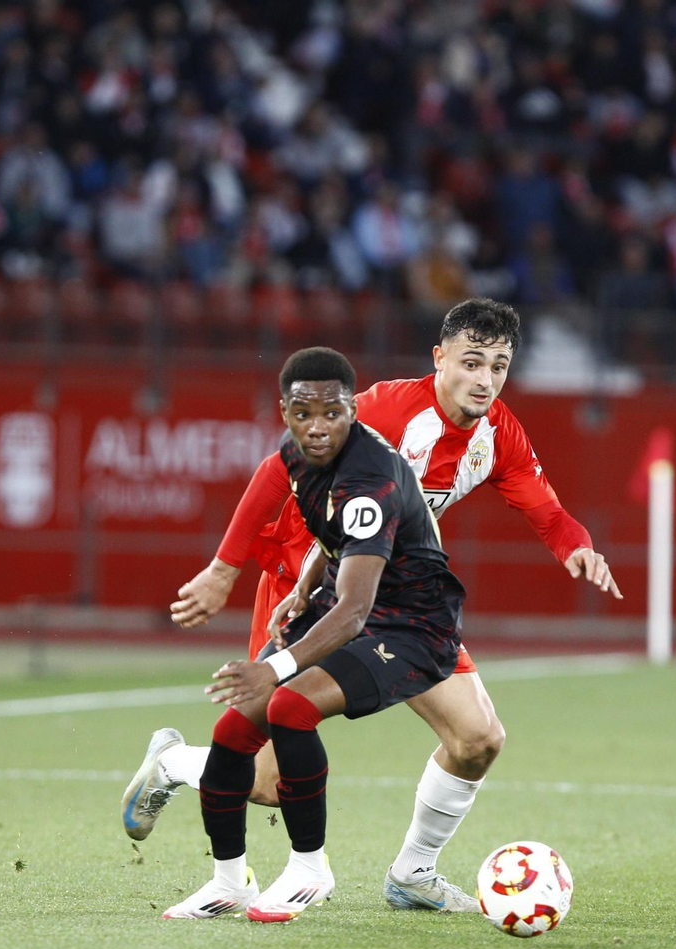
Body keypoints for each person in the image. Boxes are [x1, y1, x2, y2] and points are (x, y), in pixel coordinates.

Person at [124, 298, 621, 912]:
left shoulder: (497, 435)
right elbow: (276, 472)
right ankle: (176, 764)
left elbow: (547, 511)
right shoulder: (383, 411)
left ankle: (413, 873)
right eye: (472, 363)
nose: (486, 380)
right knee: (268, 781)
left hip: (399, 598)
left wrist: (579, 548)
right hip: (307, 584)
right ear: (439, 359)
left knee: (477, 739)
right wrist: (225, 569)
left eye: (499, 366)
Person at [160, 346, 468, 922]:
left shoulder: (371, 476)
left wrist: (272, 666)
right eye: (304, 414)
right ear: (285, 412)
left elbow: (354, 611)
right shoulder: (298, 457)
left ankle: (310, 869)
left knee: (291, 707)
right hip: (349, 602)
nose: (318, 427)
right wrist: (303, 585)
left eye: (333, 413)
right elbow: (338, 545)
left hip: (412, 625)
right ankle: (228, 882)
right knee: (232, 732)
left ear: (354, 409)